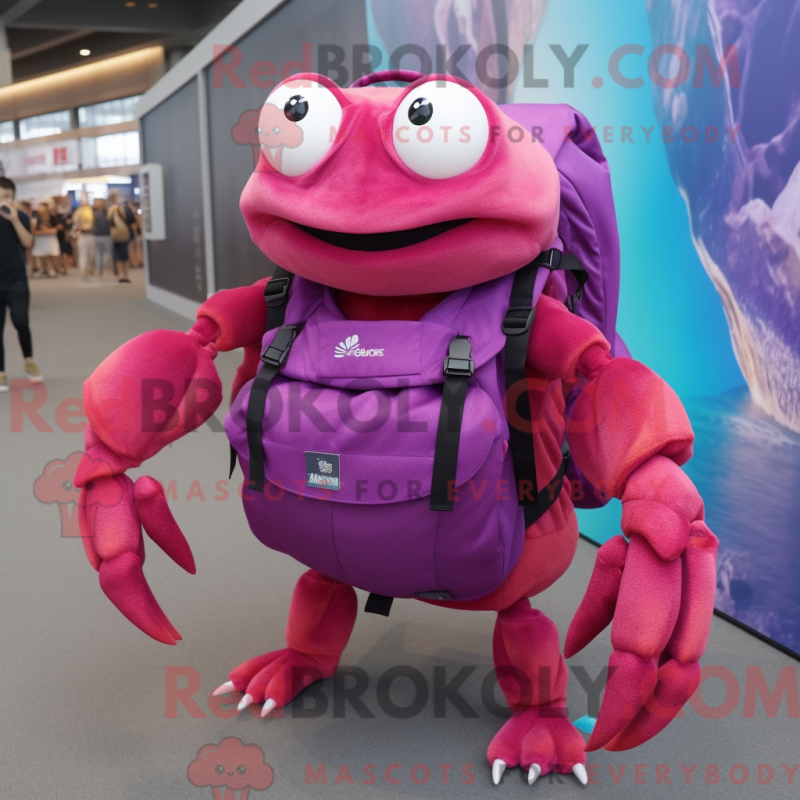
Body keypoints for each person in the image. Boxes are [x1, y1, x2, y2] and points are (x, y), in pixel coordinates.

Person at [0, 177, 42, 392]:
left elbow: (27, 243)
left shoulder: (21, 217)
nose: (3, 199)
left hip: (16, 281)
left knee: (21, 322)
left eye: (7, 196)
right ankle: (1, 373)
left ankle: (29, 361)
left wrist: (15, 219)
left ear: (13, 197)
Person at [107, 189, 136, 283]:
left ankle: (122, 275)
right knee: (121, 255)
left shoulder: (115, 208)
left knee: (120, 255)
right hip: (121, 234)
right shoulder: (121, 208)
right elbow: (131, 220)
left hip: (118, 235)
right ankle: (123, 275)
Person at [31, 200, 61, 278]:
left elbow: (57, 228)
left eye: (41, 206)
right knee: (41, 255)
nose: (39, 208)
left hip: (50, 239)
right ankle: (44, 270)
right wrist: (47, 231)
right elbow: (33, 230)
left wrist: (49, 231)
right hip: (40, 238)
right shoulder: (35, 216)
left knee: (52, 254)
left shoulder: (52, 216)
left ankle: (54, 269)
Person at [73, 192, 95, 279]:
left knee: (91, 254)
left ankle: (90, 270)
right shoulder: (78, 211)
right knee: (83, 254)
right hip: (82, 234)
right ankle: (83, 271)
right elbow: (75, 223)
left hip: (91, 234)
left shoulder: (91, 210)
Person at [92, 197, 113, 278]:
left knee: (106, 254)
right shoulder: (94, 213)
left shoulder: (107, 212)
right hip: (99, 235)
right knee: (100, 255)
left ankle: (108, 270)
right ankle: (100, 271)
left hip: (104, 235)